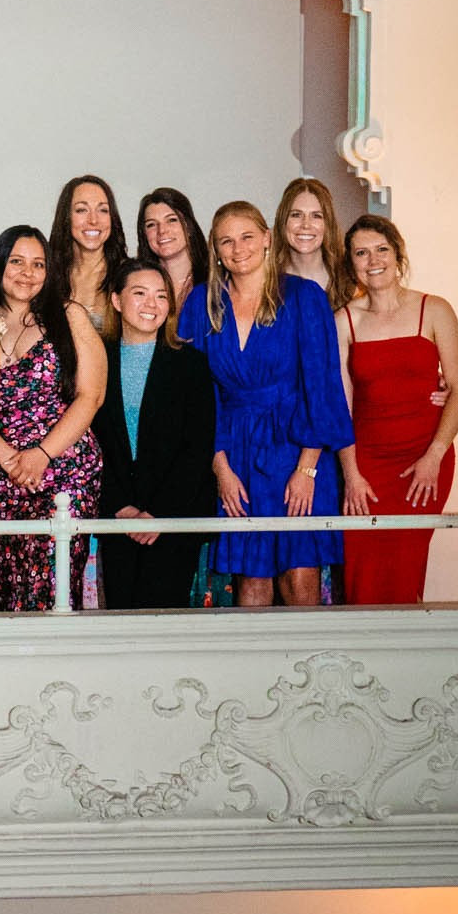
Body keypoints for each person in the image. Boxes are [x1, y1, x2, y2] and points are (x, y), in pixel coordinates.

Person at [178, 200, 355, 608]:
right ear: (215, 250)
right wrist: (221, 470)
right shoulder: (203, 302)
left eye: (246, 237)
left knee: (299, 576)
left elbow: (322, 386)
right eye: (226, 241)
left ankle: (309, 670)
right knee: (250, 582)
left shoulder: (303, 296)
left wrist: (307, 469)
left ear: (266, 240)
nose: (238, 249)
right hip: (233, 451)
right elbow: (195, 398)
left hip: (297, 448)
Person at [336, 215, 458, 605]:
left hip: (424, 460)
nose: (372, 259)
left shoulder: (435, 309)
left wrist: (434, 455)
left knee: (404, 566)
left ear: (397, 255)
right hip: (367, 466)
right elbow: (340, 408)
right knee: (363, 571)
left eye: (381, 249)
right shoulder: (344, 321)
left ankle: (402, 662)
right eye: (361, 252)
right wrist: (352, 475)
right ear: (351, 262)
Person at [0, 226, 107, 610]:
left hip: (62, 466)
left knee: (53, 583)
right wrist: (7, 457)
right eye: (17, 261)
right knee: (0, 585)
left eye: (38, 264)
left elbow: (91, 395)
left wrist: (41, 455)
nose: (27, 272)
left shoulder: (69, 316)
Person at [94, 254, 217, 609]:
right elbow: (91, 441)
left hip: (174, 517)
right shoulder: (97, 358)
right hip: (118, 517)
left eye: (161, 295)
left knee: (164, 624)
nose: (152, 304)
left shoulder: (191, 364)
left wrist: (159, 512)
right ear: (117, 301)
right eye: (140, 293)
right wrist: (120, 508)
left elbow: (197, 448)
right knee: (120, 619)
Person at [48, 174, 127, 338]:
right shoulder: (46, 276)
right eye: (81, 210)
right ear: (66, 217)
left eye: (103, 210)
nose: (93, 220)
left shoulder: (128, 275)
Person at [277, 176, 352, 309]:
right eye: (296, 215)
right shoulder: (268, 281)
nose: (306, 225)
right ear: (283, 221)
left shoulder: (349, 280)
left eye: (316, 216)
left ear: (327, 224)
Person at [135, 188, 209, 317]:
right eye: (151, 224)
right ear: (144, 235)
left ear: (188, 226)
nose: (162, 230)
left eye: (171, 220)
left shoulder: (216, 280)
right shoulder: (134, 284)